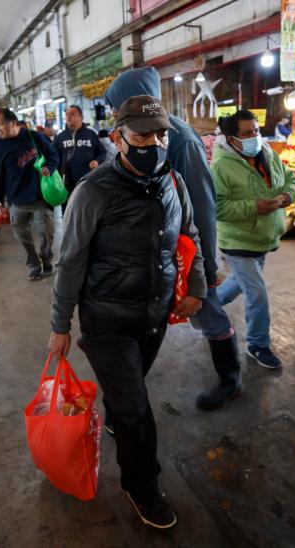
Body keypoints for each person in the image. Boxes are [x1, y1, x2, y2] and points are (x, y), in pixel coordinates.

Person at [49, 95, 206, 530]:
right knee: (137, 408)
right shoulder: (93, 191)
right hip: (106, 321)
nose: (153, 143)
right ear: (118, 138)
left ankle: (117, 412)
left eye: (161, 134)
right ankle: (143, 487)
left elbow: (188, 234)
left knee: (130, 391)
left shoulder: (172, 182)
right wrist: (59, 324)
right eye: (142, 135)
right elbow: (71, 261)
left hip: (153, 315)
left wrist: (197, 286)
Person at [106, 67, 243, 410]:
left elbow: (203, 205)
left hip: (185, 248)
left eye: (115, 105)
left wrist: (206, 268)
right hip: (157, 246)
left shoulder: (179, 138)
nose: (111, 113)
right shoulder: (131, 132)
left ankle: (231, 378)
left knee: (206, 307)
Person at [211, 109, 295, 369]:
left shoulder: (268, 153)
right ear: (230, 139)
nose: (255, 137)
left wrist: (286, 197)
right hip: (238, 241)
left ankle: (208, 306)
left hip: (264, 236)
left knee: (241, 283)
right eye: (247, 133)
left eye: (257, 131)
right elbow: (216, 207)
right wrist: (254, 207)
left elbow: (291, 179)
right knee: (257, 293)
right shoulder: (220, 166)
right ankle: (258, 344)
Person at [0, 108, 59, 281]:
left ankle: (46, 259)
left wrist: (48, 169)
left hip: (39, 198)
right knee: (22, 237)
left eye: (0, 125)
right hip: (16, 202)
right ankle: (33, 265)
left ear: (13, 123)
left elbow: (53, 155)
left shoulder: (34, 137)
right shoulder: (0, 145)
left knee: (46, 234)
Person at [53, 105, 106, 212]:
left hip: (88, 181)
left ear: (80, 117)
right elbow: (54, 158)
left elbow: (102, 152)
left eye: (72, 114)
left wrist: (97, 161)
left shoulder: (91, 134)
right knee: (68, 212)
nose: (68, 117)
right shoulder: (60, 137)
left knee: (89, 211)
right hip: (67, 184)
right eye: (67, 114)